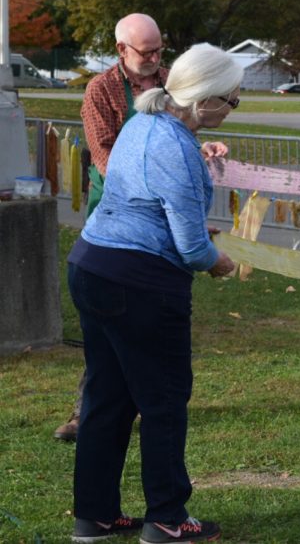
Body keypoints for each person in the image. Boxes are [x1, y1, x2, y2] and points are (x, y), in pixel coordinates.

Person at [67, 43, 241, 544]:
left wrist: (191, 236)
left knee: (108, 396)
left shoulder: (142, 122)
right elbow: (190, 249)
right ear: (205, 101)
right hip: (140, 284)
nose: (231, 111)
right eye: (231, 101)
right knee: (163, 400)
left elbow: (147, 203)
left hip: (91, 265)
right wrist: (218, 262)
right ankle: (167, 518)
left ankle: (94, 515)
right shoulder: (179, 148)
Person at [55, 13, 227, 442]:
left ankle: (131, 402)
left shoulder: (171, 80)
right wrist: (164, 186)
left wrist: (198, 152)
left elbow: (179, 135)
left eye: (159, 49)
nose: (154, 58)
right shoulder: (101, 90)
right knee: (114, 327)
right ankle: (88, 410)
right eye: (145, 51)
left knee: (142, 325)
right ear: (121, 51)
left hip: (160, 199)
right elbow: (106, 155)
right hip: (115, 201)